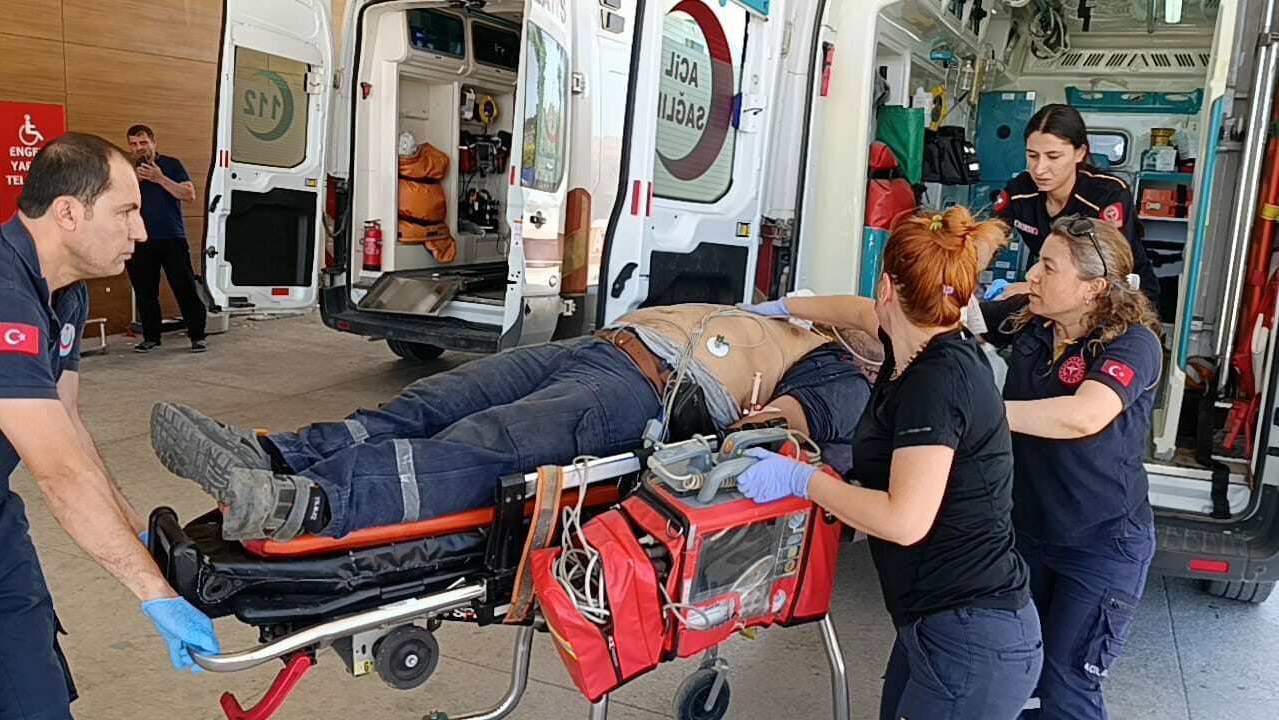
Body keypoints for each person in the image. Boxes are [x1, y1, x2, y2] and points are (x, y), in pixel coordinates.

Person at [150, 304, 877, 541]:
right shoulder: (815, 323)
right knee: (428, 403)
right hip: (599, 346)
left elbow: (787, 419)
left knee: (484, 445)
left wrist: (765, 428)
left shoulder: (847, 377)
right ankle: (275, 454)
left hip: (642, 393)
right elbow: (848, 304)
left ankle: (307, 503)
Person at [735, 208, 1043, 720]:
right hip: (938, 623)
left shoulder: (936, 382)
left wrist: (801, 479)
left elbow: (904, 520)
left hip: (971, 636)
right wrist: (783, 307)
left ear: (886, 287)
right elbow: (857, 312)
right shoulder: (918, 341)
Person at [0, 134, 220, 718]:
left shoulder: (65, 294)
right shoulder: (3, 295)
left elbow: (68, 427)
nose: (140, 232)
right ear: (68, 212)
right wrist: (155, 594)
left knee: (35, 694)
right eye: (126, 212)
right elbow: (60, 475)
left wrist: (141, 536)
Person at [978, 215, 1161, 719]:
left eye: (1048, 267)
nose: (1032, 275)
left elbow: (1083, 416)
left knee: (1065, 687)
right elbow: (941, 320)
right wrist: (796, 312)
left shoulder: (1134, 343)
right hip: (1028, 533)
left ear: (1093, 288)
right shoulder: (1031, 319)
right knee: (1017, 675)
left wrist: (978, 414)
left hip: (1101, 544)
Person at [995, 104, 1160, 309]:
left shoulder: (1108, 195)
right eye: (1033, 156)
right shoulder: (1020, 191)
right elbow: (992, 236)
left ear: (1080, 153)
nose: (1039, 169)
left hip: (1121, 296)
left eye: (1053, 156)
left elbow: (1106, 270)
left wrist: (1034, 286)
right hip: (1058, 291)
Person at [125, 124, 208, 353]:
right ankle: (151, 337)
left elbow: (189, 195)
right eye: (134, 144)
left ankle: (197, 335)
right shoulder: (126, 171)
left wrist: (160, 178)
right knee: (145, 291)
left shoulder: (172, 165)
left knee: (184, 287)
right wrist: (134, 183)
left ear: (153, 143)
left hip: (171, 237)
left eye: (143, 142)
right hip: (138, 239)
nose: (139, 148)